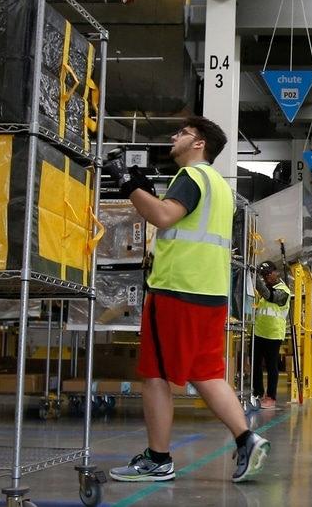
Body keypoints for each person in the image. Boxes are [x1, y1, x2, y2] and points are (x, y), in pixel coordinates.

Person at [104, 116, 269, 483]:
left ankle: (158, 459)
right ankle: (246, 438)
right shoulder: (219, 187)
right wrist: (145, 191)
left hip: (177, 291)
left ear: (199, 144)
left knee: (156, 375)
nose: (174, 137)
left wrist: (127, 183)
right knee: (207, 373)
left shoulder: (192, 177)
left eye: (183, 133)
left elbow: (164, 217)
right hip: (210, 292)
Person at [252, 260, 291, 409]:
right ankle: (257, 393)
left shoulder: (283, 291)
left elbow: (269, 296)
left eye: (268, 273)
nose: (266, 277)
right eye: (263, 275)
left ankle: (271, 396)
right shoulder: (262, 291)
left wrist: (255, 276)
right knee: (255, 364)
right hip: (258, 332)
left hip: (273, 335)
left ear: (276, 272)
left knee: (271, 366)